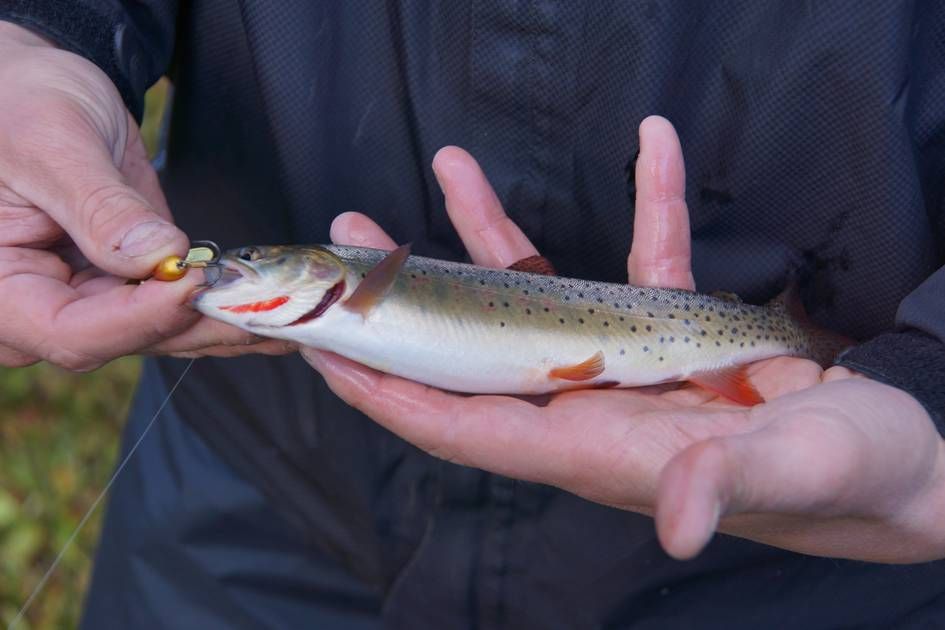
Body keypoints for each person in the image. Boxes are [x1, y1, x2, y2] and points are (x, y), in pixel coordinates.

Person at [1, 3, 944, 627]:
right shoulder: (328, 305)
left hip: (788, 583)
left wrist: (928, 378)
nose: (232, 272)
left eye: (250, 265)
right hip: (254, 506)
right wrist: (35, 32)